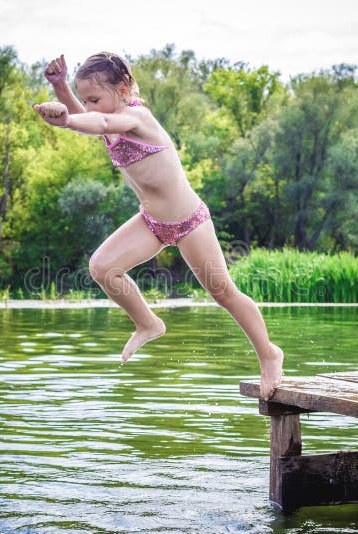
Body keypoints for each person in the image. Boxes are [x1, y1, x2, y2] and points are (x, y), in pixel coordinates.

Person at [34, 52, 283, 400]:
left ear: (122, 89)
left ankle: (269, 355)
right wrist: (60, 87)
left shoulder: (136, 116)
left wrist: (66, 121)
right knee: (102, 268)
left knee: (222, 292)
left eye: (95, 98)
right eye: (86, 99)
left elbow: (97, 123)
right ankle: (147, 323)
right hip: (152, 222)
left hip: (190, 221)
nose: (89, 106)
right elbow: (87, 117)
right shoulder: (105, 114)